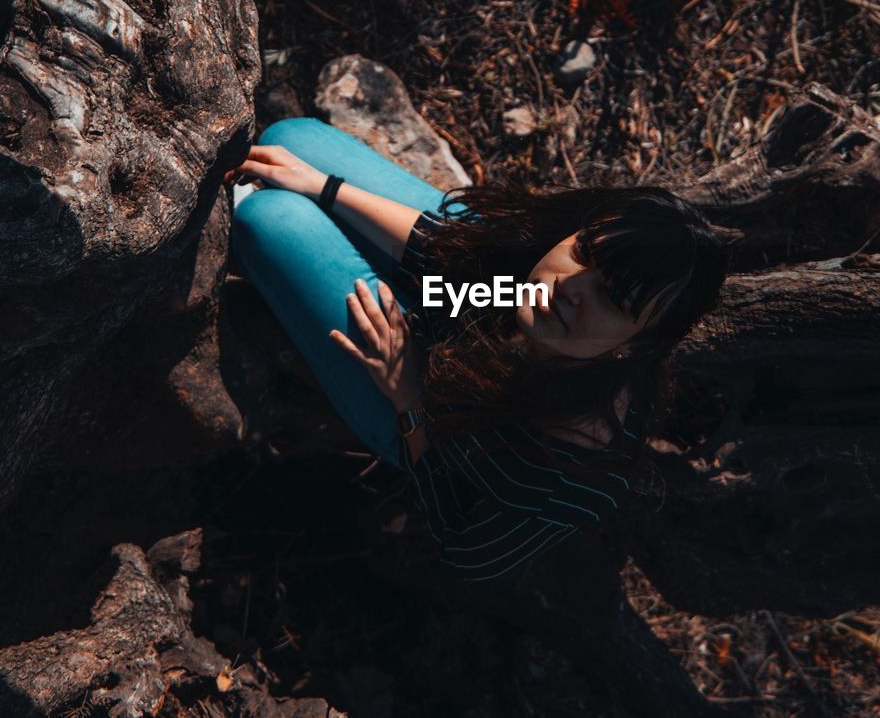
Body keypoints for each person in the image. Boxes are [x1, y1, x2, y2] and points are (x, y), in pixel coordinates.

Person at [226, 118, 726, 583]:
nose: (572, 286)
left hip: (429, 415)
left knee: (273, 217)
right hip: (460, 329)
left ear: (640, 343)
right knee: (293, 142)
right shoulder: (548, 299)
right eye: (584, 252)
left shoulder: (578, 467)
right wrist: (326, 188)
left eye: (613, 297)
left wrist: (410, 399)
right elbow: (457, 268)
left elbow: (470, 551)